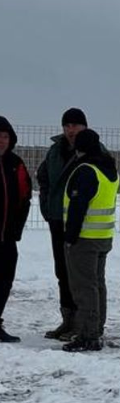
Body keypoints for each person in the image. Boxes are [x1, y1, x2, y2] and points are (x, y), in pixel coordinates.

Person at [37, 108, 105, 340]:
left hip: (84, 225)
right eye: (67, 125)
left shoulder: (94, 151)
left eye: (75, 125)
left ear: (84, 127)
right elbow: (43, 177)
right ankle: (68, 319)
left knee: (84, 276)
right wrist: (46, 205)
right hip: (58, 218)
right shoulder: (56, 151)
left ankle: (84, 323)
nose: (70, 129)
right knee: (62, 272)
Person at [60, 128, 119, 353]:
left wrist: (69, 238)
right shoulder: (110, 169)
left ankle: (87, 334)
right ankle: (96, 328)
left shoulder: (85, 170)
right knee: (97, 285)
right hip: (103, 237)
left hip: (84, 239)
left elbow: (78, 207)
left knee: (84, 287)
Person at [0, 117, 32, 343]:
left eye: (5, 136)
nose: (1, 141)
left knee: (4, 279)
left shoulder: (15, 163)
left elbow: (25, 198)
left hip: (7, 237)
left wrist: (16, 230)